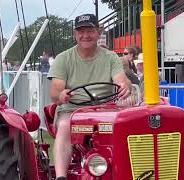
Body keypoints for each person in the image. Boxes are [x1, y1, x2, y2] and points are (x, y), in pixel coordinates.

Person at [47, 14, 131, 180]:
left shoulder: (111, 57)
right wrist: (61, 95)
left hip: (106, 109)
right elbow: (55, 92)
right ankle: (61, 176)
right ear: (75, 34)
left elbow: (121, 80)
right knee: (64, 125)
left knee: (127, 124)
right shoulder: (63, 59)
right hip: (73, 110)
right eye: (81, 31)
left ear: (98, 33)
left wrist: (125, 86)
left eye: (90, 31)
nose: (85, 35)